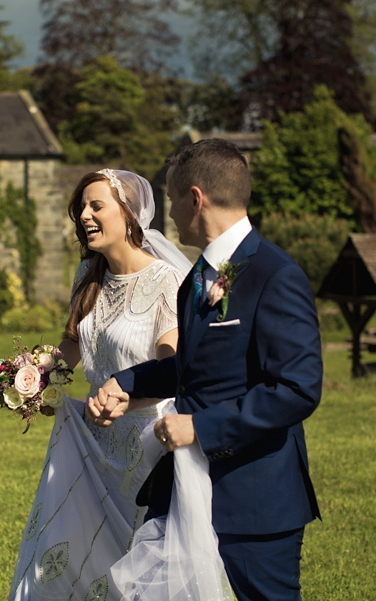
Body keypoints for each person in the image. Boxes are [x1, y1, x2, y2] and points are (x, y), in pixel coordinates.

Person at [90, 138, 323, 601]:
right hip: (183, 488)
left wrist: (200, 427)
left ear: (196, 199)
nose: (169, 213)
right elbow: (195, 367)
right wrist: (126, 382)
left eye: (173, 198)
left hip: (254, 495)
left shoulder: (275, 275)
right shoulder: (198, 277)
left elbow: (298, 388)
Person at [8, 168, 197, 601]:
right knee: (65, 553)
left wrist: (126, 399)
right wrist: (31, 379)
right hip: (91, 444)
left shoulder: (166, 281)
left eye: (96, 206)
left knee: (139, 568)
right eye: (81, 209)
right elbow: (72, 344)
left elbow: (172, 368)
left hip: (147, 446)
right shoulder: (86, 276)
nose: (85, 216)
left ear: (129, 213)